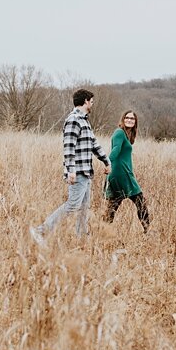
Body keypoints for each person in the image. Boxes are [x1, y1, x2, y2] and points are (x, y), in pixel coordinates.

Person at [31, 89, 110, 245]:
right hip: (78, 172)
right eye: (91, 101)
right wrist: (71, 170)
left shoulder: (84, 120)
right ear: (86, 101)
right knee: (73, 205)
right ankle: (41, 231)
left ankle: (82, 238)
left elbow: (94, 144)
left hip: (87, 172)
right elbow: (68, 147)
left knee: (84, 207)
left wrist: (106, 161)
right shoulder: (73, 120)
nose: (92, 104)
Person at [103, 110, 150, 232]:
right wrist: (107, 162)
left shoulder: (127, 134)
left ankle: (103, 231)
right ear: (123, 119)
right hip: (122, 174)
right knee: (140, 201)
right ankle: (148, 230)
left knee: (113, 204)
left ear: (135, 122)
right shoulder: (119, 133)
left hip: (120, 173)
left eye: (132, 119)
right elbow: (116, 149)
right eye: (127, 118)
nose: (129, 120)